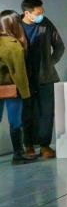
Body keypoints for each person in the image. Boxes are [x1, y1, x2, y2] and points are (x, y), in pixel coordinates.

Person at [21, 0, 64, 159]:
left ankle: (45, 146)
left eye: (42, 12)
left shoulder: (45, 23)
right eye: (38, 13)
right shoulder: (16, 25)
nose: (41, 15)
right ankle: (29, 146)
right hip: (25, 77)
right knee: (26, 112)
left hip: (46, 77)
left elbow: (59, 46)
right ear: (27, 13)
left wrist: (49, 63)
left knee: (47, 112)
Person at [0, 10, 36, 163]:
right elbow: (19, 73)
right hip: (11, 89)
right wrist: (26, 93)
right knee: (15, 122)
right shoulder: (13, 45)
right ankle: (18, 155)